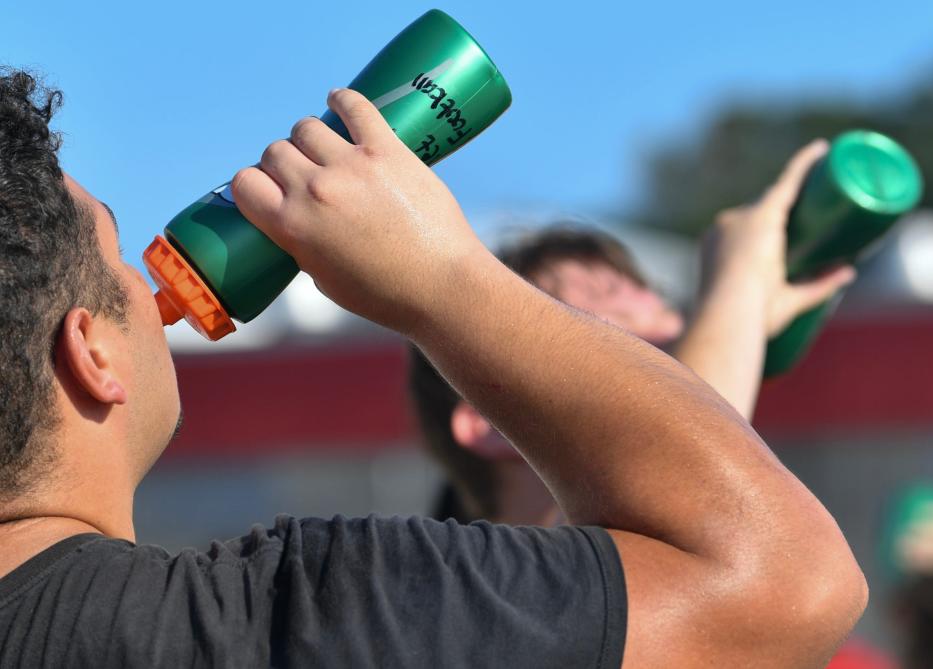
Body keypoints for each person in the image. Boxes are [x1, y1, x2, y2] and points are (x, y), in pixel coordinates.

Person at [0, 68, 866, 667]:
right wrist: (441, 275)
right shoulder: (284, 621)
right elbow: (785, 588)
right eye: (117, 255)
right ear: (93, 351)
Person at [410, 161, 855, 526]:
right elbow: (685, 475)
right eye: (617, 329)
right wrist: (738, 284)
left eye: (673, 336)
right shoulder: (508, 604)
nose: (677, 366)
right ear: (490, 419)